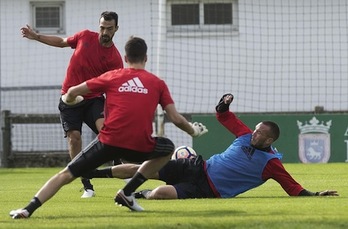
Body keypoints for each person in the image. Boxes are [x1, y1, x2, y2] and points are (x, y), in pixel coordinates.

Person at [9, 36, 208, 219]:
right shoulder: (157, 83)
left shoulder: (113, 76)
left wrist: (69, 100)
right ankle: (128, 191)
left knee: (66, 174)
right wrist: (193, 131)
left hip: (108, 142)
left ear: (125, 57)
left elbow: (72, 91)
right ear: (146, 57)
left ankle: (28, 209)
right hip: (139, 146)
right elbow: (175, 118)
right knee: (166, 148)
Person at [89, 93, 338, 199]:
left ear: (270, 140)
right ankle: (91, 173)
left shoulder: (271, 164)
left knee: (161, 194)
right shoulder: (244, 134)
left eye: (260, 133)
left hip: (208, 190)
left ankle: (138, 194)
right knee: (145, 167)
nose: (255, 134)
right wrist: (223, 104)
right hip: (198, 166)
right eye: (256, 129)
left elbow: (292, 187)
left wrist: (314, 195)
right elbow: (223, 116)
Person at [20, 11, 124, 198]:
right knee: (74, 138)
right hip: (69, 98)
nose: (104, 31)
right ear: (98, 26)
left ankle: (117, 162)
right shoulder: (84, 36)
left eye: (109, 28)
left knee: (106, 130)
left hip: (93, 99)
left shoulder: (115, 59)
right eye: (102, 27)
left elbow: (113, 89)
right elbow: (61, 42)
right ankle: (86, 184)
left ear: (116, 29)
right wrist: (36, 37)